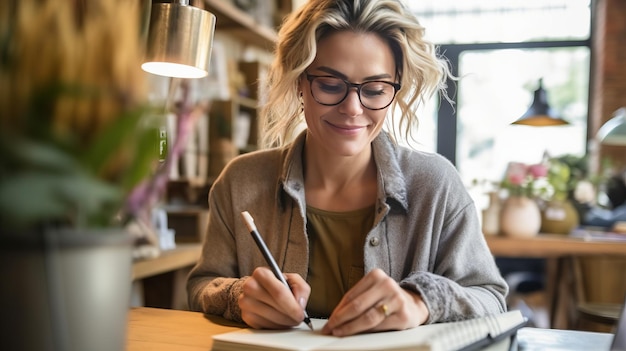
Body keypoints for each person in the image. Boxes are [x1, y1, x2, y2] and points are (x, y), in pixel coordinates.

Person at [187, 0, 507, 337]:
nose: (352, 109)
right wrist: (238, 297)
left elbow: (490, 297)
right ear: (299, 81)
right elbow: (202, 285)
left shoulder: (436, 185)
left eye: (374, 90)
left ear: (395, 91)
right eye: (330, 85)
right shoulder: (240, 182)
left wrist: (420, 302)